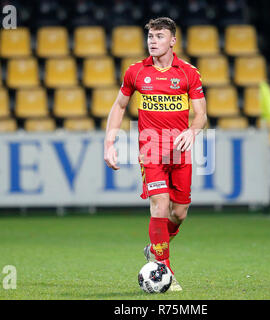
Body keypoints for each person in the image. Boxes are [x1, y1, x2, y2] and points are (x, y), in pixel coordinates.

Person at [104, 17, 207, 291]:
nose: (153, 41)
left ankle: (155, 248)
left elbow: (201, 115)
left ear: (173, 40)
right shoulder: (136, 72)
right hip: (151, 150)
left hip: (180, 152)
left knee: (179, 213)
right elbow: (119, 105)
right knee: (160, 205)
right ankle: (165, 272)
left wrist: (192, 132)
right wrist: (109, 142)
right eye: (150, 36)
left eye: (159, 36)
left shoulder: (188, 73)